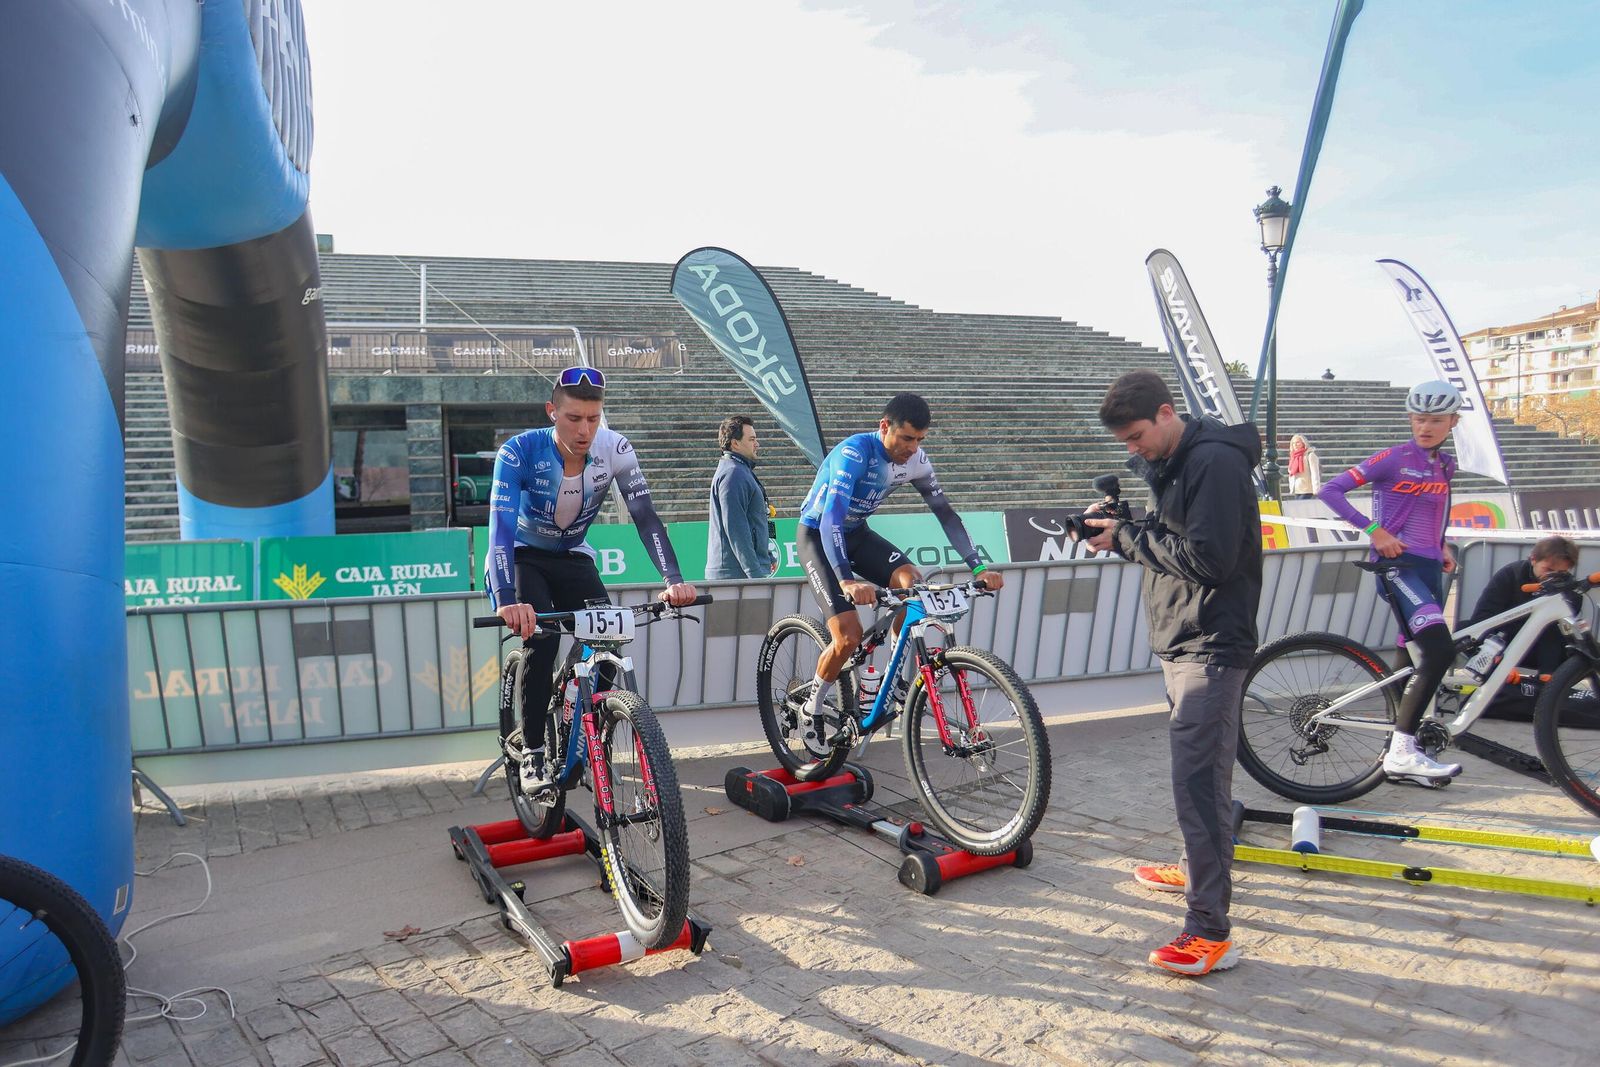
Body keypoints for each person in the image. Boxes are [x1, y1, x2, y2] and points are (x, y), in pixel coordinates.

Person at [1082, 369, 1262, 978]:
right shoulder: (1180, 461)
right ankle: (1195, 868)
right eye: (1125, 444)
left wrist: (1128, 539)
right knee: (1201, 780)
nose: (1132, 450)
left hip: (1211, 645)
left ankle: (1210, 933)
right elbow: (1176, 535)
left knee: (1199, 788)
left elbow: (1210, 559)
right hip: (1182, 640)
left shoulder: (1213, 462)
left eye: (1136, 437)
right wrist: (1121, 526)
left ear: (1166, 413)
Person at [487, 366, 697, 792]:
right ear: (552, 412)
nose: (585, 430)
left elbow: (646, 518)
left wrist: (673, 578)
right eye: (574, 418)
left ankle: (584, 730)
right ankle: (532, 751)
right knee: (542, 641)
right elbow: (501, 530)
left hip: (573, 557)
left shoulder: (615, 448)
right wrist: (507, 598)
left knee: (608, 640)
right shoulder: (518, 452)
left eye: (593, 418)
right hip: (526, 558)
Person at [795, 393, 1002, 734]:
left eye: (920, 440)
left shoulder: (917, 461)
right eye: (907, 438)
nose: (913, 448)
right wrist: (846, 580)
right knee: (848, 636)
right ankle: (811, 706)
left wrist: (978, 567)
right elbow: (832, 515)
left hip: (857, 533)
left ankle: (889, 683)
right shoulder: (855, 453)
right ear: (884, 427)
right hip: (819, 535)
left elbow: (947, 516)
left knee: (911, 586)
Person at [1318, 380, 1465, 785]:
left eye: (1435, 420)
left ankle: (1402, 755)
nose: (1425, 427)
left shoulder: (1446, 465)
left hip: (1430, 568)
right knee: (1438, 652)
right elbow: (1330, 490)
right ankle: (1402, 750)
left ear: (1453, 421)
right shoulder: (1393, 458)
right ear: (1410, 419)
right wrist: (1374, 531)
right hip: (1396, 567)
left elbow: (1433, 510)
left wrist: (1443, 544)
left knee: (1410, 657)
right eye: (1419, 419)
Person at [1466, 536, 1580, 719]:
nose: (1551, 577)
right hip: (1504, 640)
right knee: (1463, 632)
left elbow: (1560, 630)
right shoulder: (1510, 575)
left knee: (1574, 646)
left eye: (1560, 573)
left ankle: (1548, 680)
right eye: (1548, 570)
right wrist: (1500, 660)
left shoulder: (1567, 586)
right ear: (1533, 559)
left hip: (1541, 648)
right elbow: (1483, 618)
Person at [707, 415, 778, 579]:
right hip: (736, 575)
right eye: (752, 439)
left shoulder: (739, 470)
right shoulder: (733, 474)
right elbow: (736, 528)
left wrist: (766, 556)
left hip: (740, 572)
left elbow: (749, 522)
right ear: (735, 443)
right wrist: (755, 574)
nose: (757, 444)